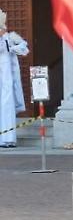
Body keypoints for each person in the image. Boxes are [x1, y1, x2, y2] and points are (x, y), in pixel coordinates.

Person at [0, 10, 29, 149]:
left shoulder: (11, 37)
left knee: (6, 106)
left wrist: (12, 47)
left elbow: (24, 48)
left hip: (7, 78)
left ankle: (8, 139)